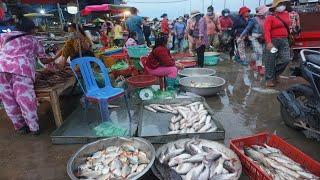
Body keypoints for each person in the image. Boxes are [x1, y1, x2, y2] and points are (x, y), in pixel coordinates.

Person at [0, 15, 51, 135]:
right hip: (21, 70)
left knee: (8, 100)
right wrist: (58, 56)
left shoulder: (4, 36)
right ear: (30, 29)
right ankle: (34, 128)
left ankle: (20, 127)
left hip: (1, 69)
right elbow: (43, 60)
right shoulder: (33, 40)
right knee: (25, 99)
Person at [264, 0, 292, 87]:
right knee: (270, 60)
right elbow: (266, 31)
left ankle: (275, 75)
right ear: (275, 7)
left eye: (283, 4)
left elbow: (288, 26)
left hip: (284, 40)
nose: (282, 6)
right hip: (273, 41)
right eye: (280, 4)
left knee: (286, 59)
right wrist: (268, 42)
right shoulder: (270, 17)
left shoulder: (286, 14)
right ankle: (269, 79)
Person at [239, 6, 269, 70]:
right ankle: (259, 68)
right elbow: (247, 29)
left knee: (260, 53)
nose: (266, 13)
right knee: (259, 52)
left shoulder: (266, 19)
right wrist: (240, 37)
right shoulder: (253, 20)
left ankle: (252, 61)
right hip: (255, 38)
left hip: (263, 38)